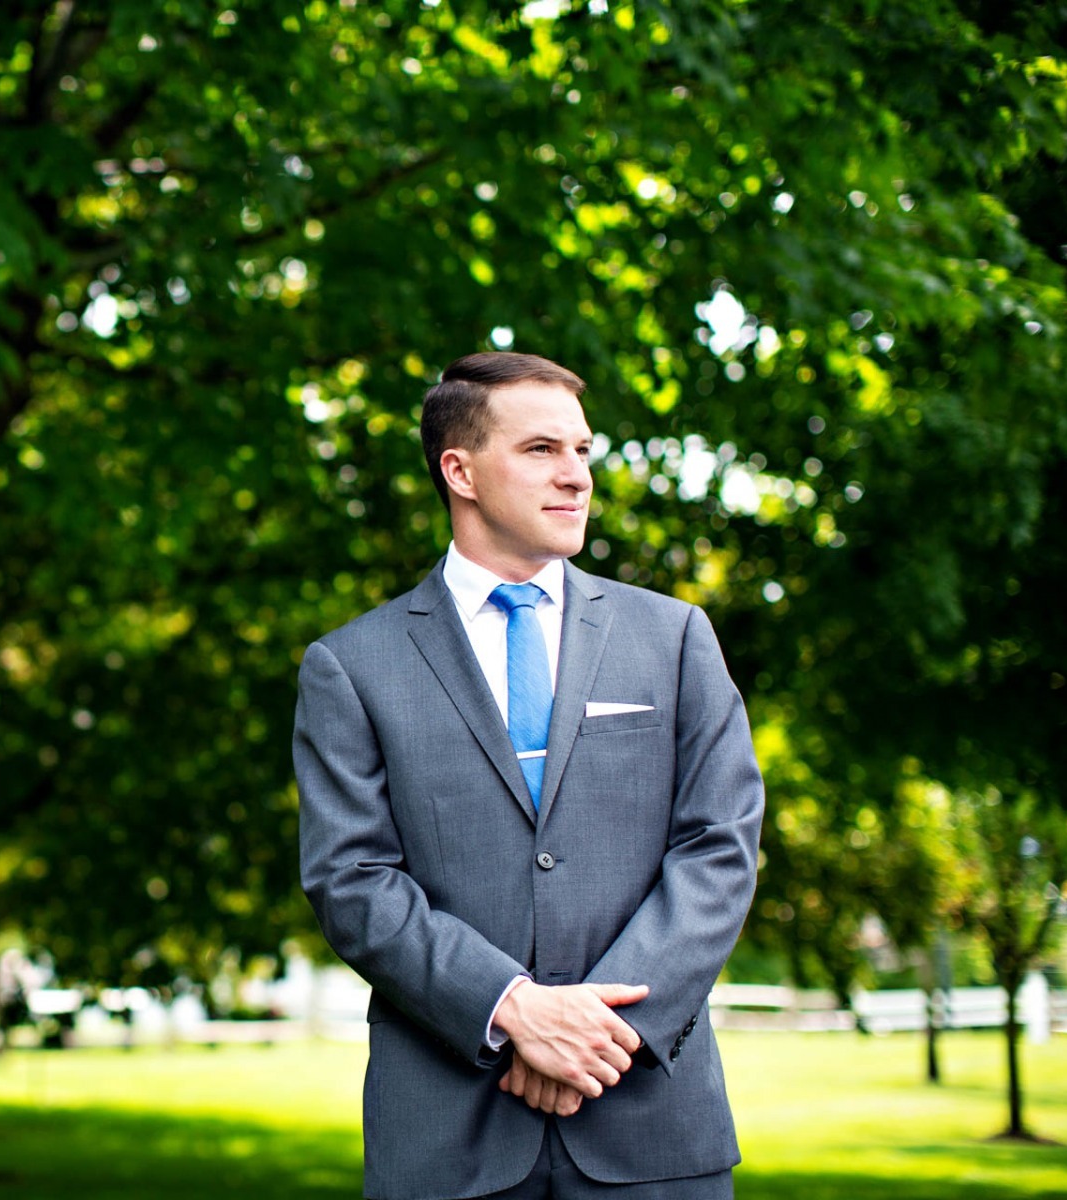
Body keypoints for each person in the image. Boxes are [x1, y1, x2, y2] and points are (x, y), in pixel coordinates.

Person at [295, 351, 764, 1199]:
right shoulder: (351, 666)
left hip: (650, 1124)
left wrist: (594, 1038)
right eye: (543, 450)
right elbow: (352, 880)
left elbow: (720, 848)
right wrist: (513, 1010)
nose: (576, 476)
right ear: (460, 470)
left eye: (583, 452)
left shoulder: (674, 638)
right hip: (446, 1137)